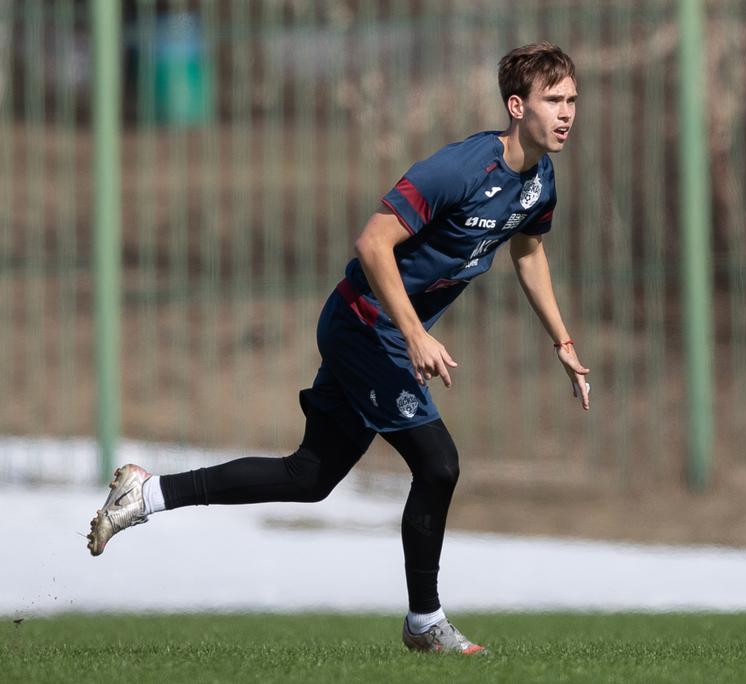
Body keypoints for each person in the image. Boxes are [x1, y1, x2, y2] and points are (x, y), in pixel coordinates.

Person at [87, 42, 589, 655]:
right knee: (438, 464)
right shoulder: (460, 169)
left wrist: (562, 341)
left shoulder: (539, 180)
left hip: (383, 333)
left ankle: (146, 493)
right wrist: (415, 334)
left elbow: (529, 251)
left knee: (309, 476)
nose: (567, 112)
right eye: (553, 100)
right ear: (516, 106)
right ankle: (425, 623)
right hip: (363, 327)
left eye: (572, 100)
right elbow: (373, 243)